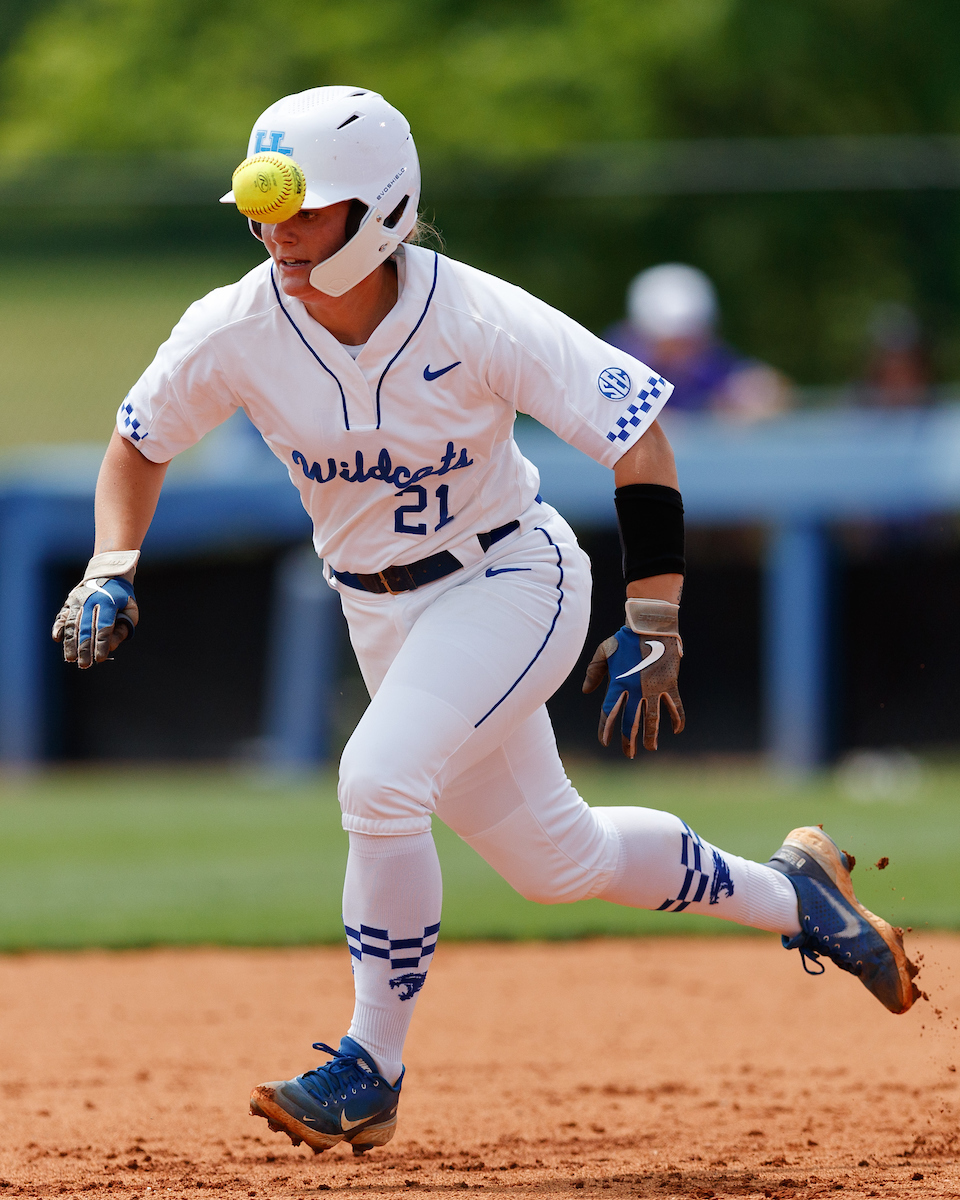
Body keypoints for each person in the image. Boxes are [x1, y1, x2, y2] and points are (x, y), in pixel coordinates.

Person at [52, 87, 918, 1158]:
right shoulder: (236, 326)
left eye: (305, 210)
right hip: (380, 613)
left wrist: (655, 612)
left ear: (381, 208)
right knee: (559, 863)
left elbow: (638, 434)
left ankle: (368, 1068)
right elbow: (139, 439)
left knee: (376, 781)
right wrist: (111, 562)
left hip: (515, 578)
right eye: (263, 210)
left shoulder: (473, 315)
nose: (278, 233)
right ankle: (798, 900)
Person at [604, 263, 790, 422]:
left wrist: (754, 397)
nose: (681, 351)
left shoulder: (704, 360)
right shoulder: (614, 363)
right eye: (670, 341)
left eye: (688, 339)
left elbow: (761, 385)